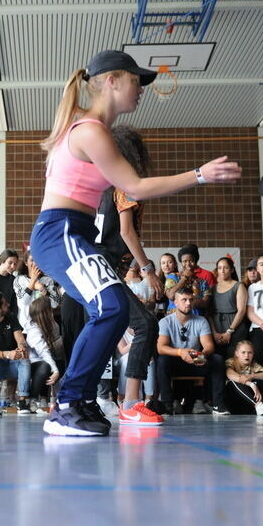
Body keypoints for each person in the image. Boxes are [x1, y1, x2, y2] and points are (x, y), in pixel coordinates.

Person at [30, 49, 240, 436]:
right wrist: (200, 174)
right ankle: (67, 404)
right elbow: (135, 186)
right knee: (110, 308)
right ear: (111, 81)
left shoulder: (89, 128)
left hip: (72, 232)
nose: (141, 89)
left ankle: (81, 399)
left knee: (113, 311)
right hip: (60, 231)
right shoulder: (89, 129)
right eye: (135, 80)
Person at [93, 124, 164, 425]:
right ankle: (132, 403)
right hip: (104, 271)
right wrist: (148, 270)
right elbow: (126, 231)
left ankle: (88, 397)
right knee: (146, 323)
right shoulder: (122, 186)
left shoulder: (104, 187)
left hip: (98, 271)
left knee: (103, 333)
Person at [156, 289, 227, 415]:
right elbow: (161, 347)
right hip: (175, 362)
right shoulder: (165, 322)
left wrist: (201, 355)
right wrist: (181, 352)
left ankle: (218, 405)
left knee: (217, 359)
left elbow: (209, 346)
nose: (188, 303)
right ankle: (167, 405)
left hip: (195, 360)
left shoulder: (201, 321)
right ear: (175, 302)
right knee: (162, 360)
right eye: (184, 300)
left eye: (191, 300)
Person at [0, 292, 33, 414]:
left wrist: (22, 347)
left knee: (24, 360)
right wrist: (7, 354)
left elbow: (20, 338)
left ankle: (22, 401)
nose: (8, 305)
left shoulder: (11, 318)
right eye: (5, 304)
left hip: (12, 364)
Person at [224, 341, 263, 415]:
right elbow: (229, 374)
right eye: (243, 352)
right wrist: (251, 384)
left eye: (250, 353)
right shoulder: (231, 362)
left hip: (248, 402)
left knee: (259, 376)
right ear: (237, 353)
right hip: (234, 400)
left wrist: (252, 376)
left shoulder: (253, 365)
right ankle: (258, 404)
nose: (247, 355)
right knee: (233, 382)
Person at [209, 257, 248, 357]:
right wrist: (214, 333)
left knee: (234, 358)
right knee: (219, 359)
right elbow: (209, 313)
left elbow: (241, 311)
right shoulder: (213, 288)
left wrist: (229, 331)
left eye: (225, 268)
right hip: (217, 329)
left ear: (232, 270)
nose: (222, 271)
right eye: (219, 268)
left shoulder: (238, 286)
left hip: (235, 327)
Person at [13, 251, 61, 331]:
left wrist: (43, 289)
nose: (35, 263)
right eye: (32, 260)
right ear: (26, 263)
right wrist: (32, 282)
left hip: (46, 326)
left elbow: (54, 304)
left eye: (37, 260)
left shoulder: (48, 280)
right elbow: (23, 302)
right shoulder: (19, 280)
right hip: (27, 327)